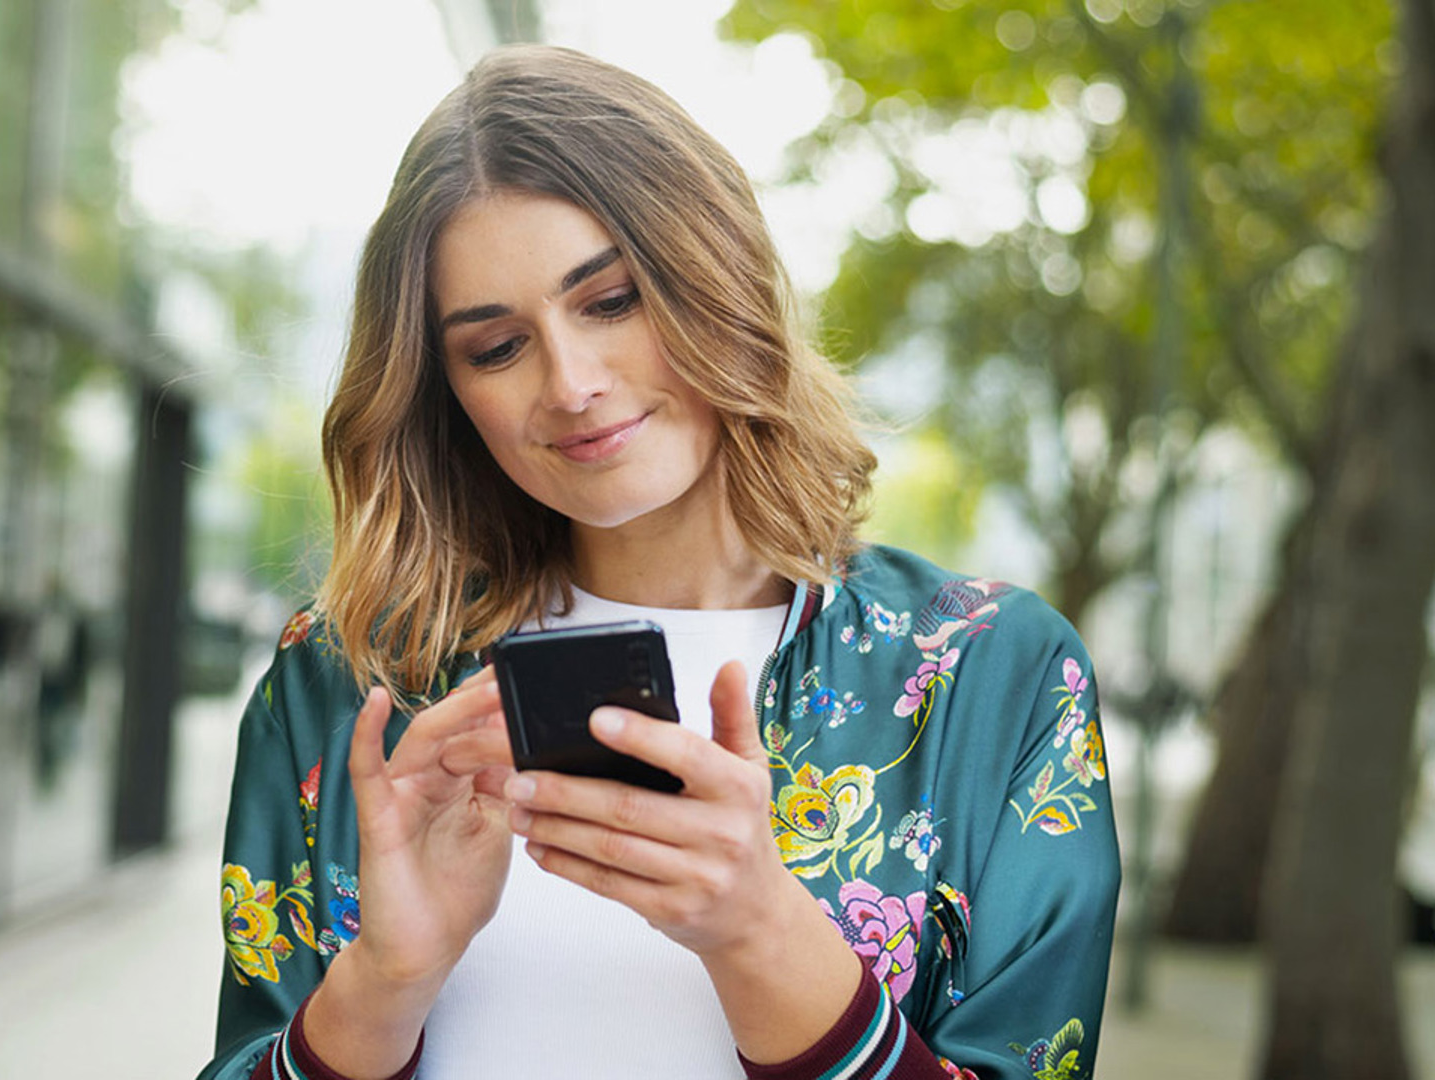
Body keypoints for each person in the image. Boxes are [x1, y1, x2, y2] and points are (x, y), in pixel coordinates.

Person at [201, 45, 1118, 1080]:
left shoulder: (987, 676)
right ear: (445, 390)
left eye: (612, 300)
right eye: (496, 347)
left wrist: (758, 931)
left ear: (713, 270)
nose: (572, 381)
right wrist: (383, 986)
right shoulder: (350, 686)